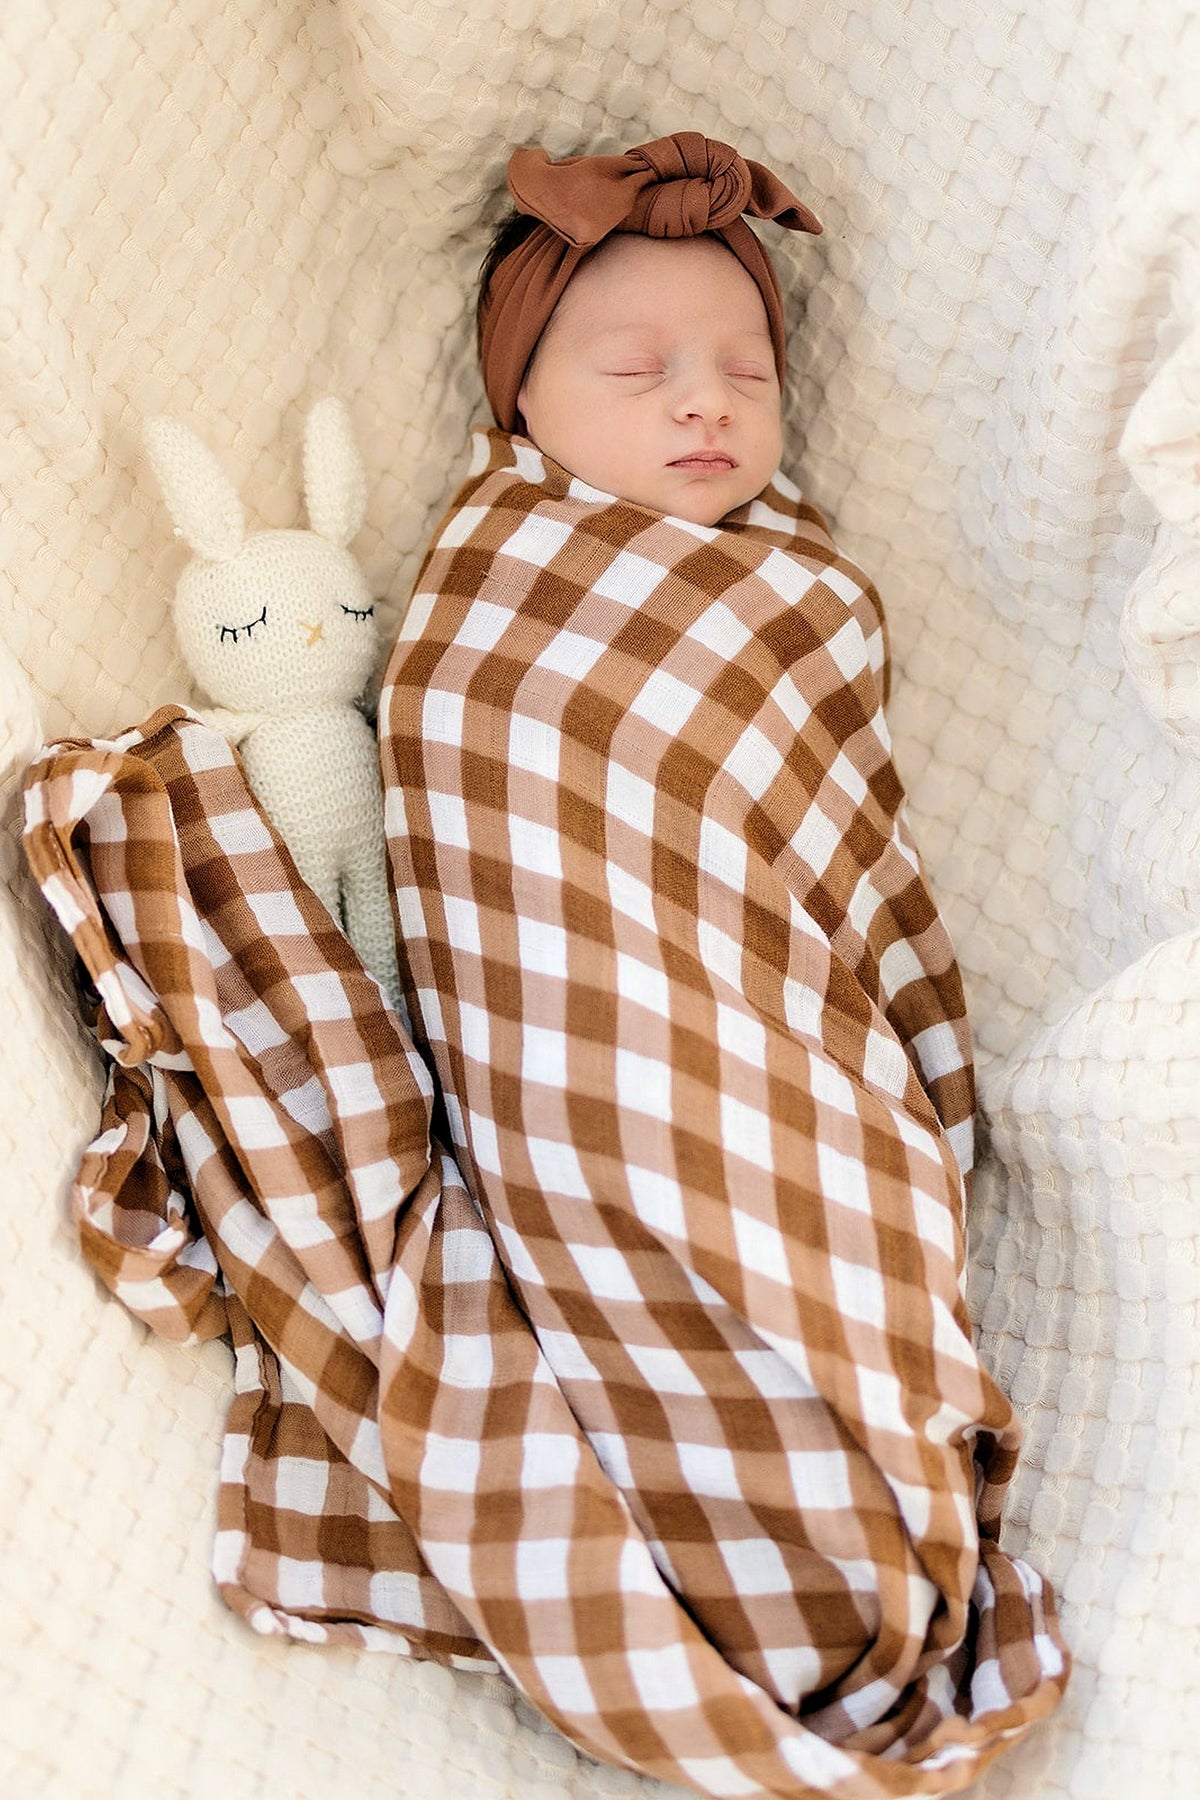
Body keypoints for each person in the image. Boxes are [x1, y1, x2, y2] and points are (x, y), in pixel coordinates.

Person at [376, 132, 1068, 1800]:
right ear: (521, 409)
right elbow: (472, 796)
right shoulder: (491, 603)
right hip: (590, 1053)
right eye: (638, 370)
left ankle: (858, 1477)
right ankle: (785, 1541)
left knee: (820, 1225)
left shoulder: (802, 593)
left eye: (744, 373)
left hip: (775, 1054)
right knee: (636, 1203)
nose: (705, 404)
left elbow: (835, 854)